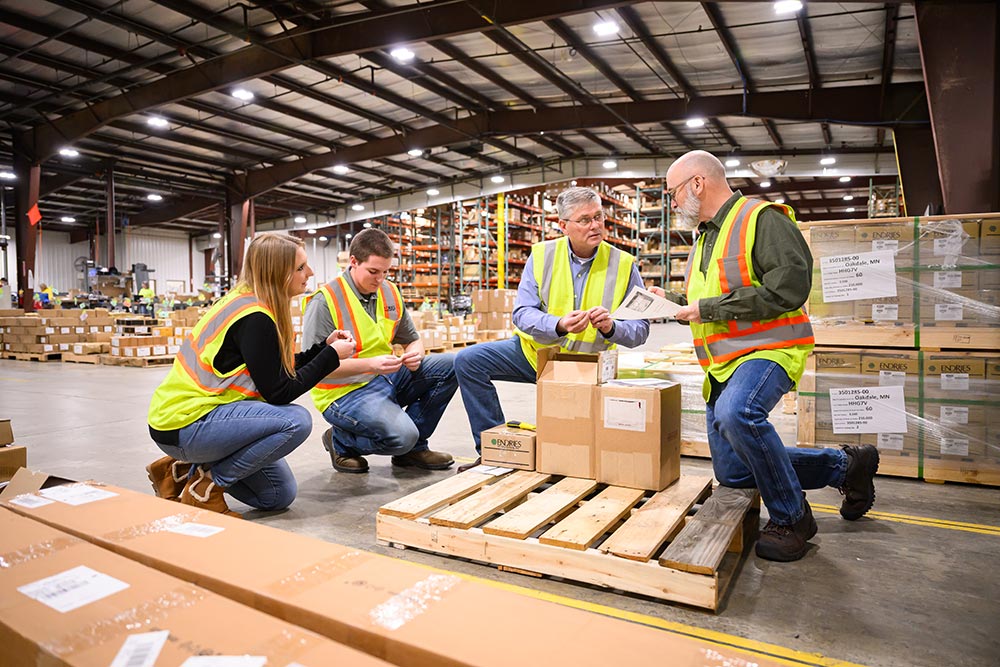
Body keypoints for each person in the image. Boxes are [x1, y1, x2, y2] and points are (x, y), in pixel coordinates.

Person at [653, 150, 879, 562]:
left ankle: (792, 518)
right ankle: (843, 467)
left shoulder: (763, 219)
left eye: (673, 192)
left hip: (770, 349)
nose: (671, 203)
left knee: (737, 415)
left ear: (697, 184)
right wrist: (667, 303)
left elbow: (789, 289)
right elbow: (708, 300)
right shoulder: (705, 236)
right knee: (734, 472)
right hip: (723, 362)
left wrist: (708, 309)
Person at [146, 233, 355, 517]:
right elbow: (279, 392)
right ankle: (206, 488)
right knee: (296, 421)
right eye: (300, 267)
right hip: (187, 423)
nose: (310, 273)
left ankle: (177, 471)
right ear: (276, 272)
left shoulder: (250, 302)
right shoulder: (255, 318)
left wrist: (323, 348)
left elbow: (272, 365)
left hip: (205, 417)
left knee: (277, 495)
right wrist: (331, 358)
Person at [453, 186, 650, 472]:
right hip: (537, 356)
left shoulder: (624, 264)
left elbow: (640, 330)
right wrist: (557, 324)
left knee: (576, 456)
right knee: (467, 361)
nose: (595, 225)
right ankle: (492, 452)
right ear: (563, 225)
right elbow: (522, 314)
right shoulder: (543, 255)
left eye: (599, 216)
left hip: (589, 368)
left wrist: (611, 327)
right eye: (584, 220)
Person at [302, 228, 457, 473]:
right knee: (400, 437)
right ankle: (340, 441)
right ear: (353, 262)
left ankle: (413, 450)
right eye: (373, 272)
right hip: (344, 392)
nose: (380, 279)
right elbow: (314, 370)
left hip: (385, 375)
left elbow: (412, 339)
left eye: (386, 272)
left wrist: (416, 353)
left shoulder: (389, 292)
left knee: (454, 365)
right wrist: (371, 365)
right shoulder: (325, 301)